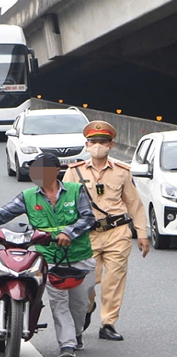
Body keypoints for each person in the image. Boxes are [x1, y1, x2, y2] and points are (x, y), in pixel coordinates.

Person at [0, 153, 96, 357]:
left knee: (80, 305)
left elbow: (88, 217)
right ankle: (67, 344)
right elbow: (2, 213)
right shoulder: (28, 196)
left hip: (79, 256)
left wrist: (68, 233)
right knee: (58, 302)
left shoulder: (75, 190)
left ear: (56, 171)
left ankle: (77, 332)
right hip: (49, 258)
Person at [63, 120, 149, 342]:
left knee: (114, 280)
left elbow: (134, 204)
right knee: (87, 282)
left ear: (111, 145)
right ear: (87, 145)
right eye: (93, 142)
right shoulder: (74, 172)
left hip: (117, 232)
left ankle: (108, 323)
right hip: (86, 235)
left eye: (102, 142)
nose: (98, 146)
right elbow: (64, 205)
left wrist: (142, 234)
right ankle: (87, 309)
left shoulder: (122, 172)